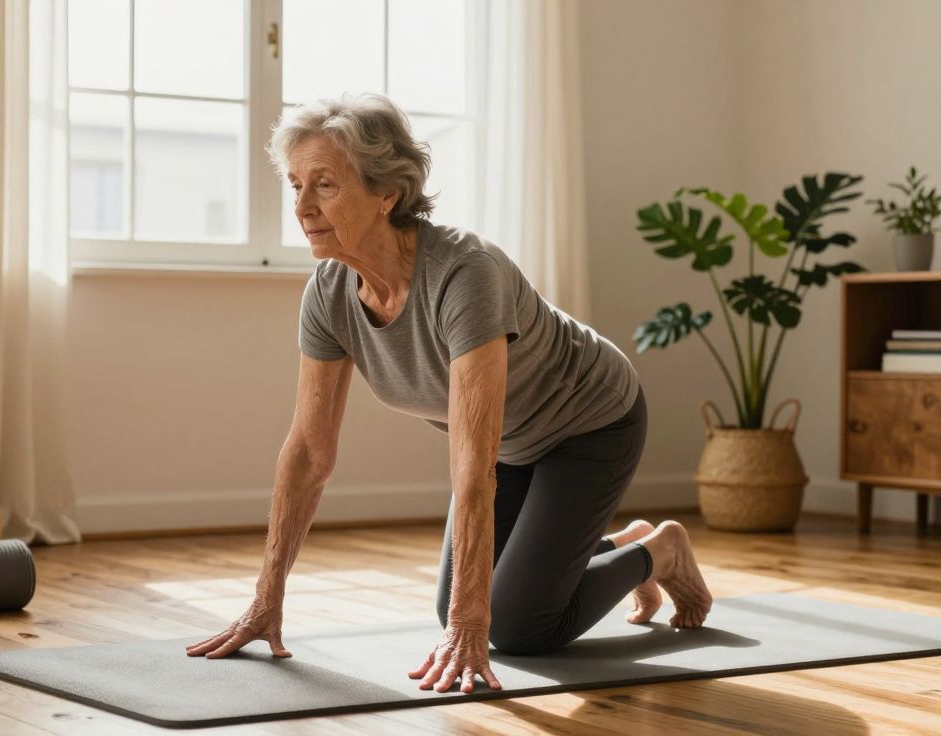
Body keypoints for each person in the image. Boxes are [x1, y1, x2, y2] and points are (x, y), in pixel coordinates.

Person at [186, 93, 713, 694]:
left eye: (325, 185)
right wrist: (265, 600)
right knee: (454, 609)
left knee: (514, 624)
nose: (303, 207)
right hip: (510, 444)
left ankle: (661, 552)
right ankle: (620, 542)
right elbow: (308, 452)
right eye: (295, 185)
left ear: (387, 193)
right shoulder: (330, 294)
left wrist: (472, 619)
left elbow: (471, 460)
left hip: (588, 423)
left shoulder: (465, 274)